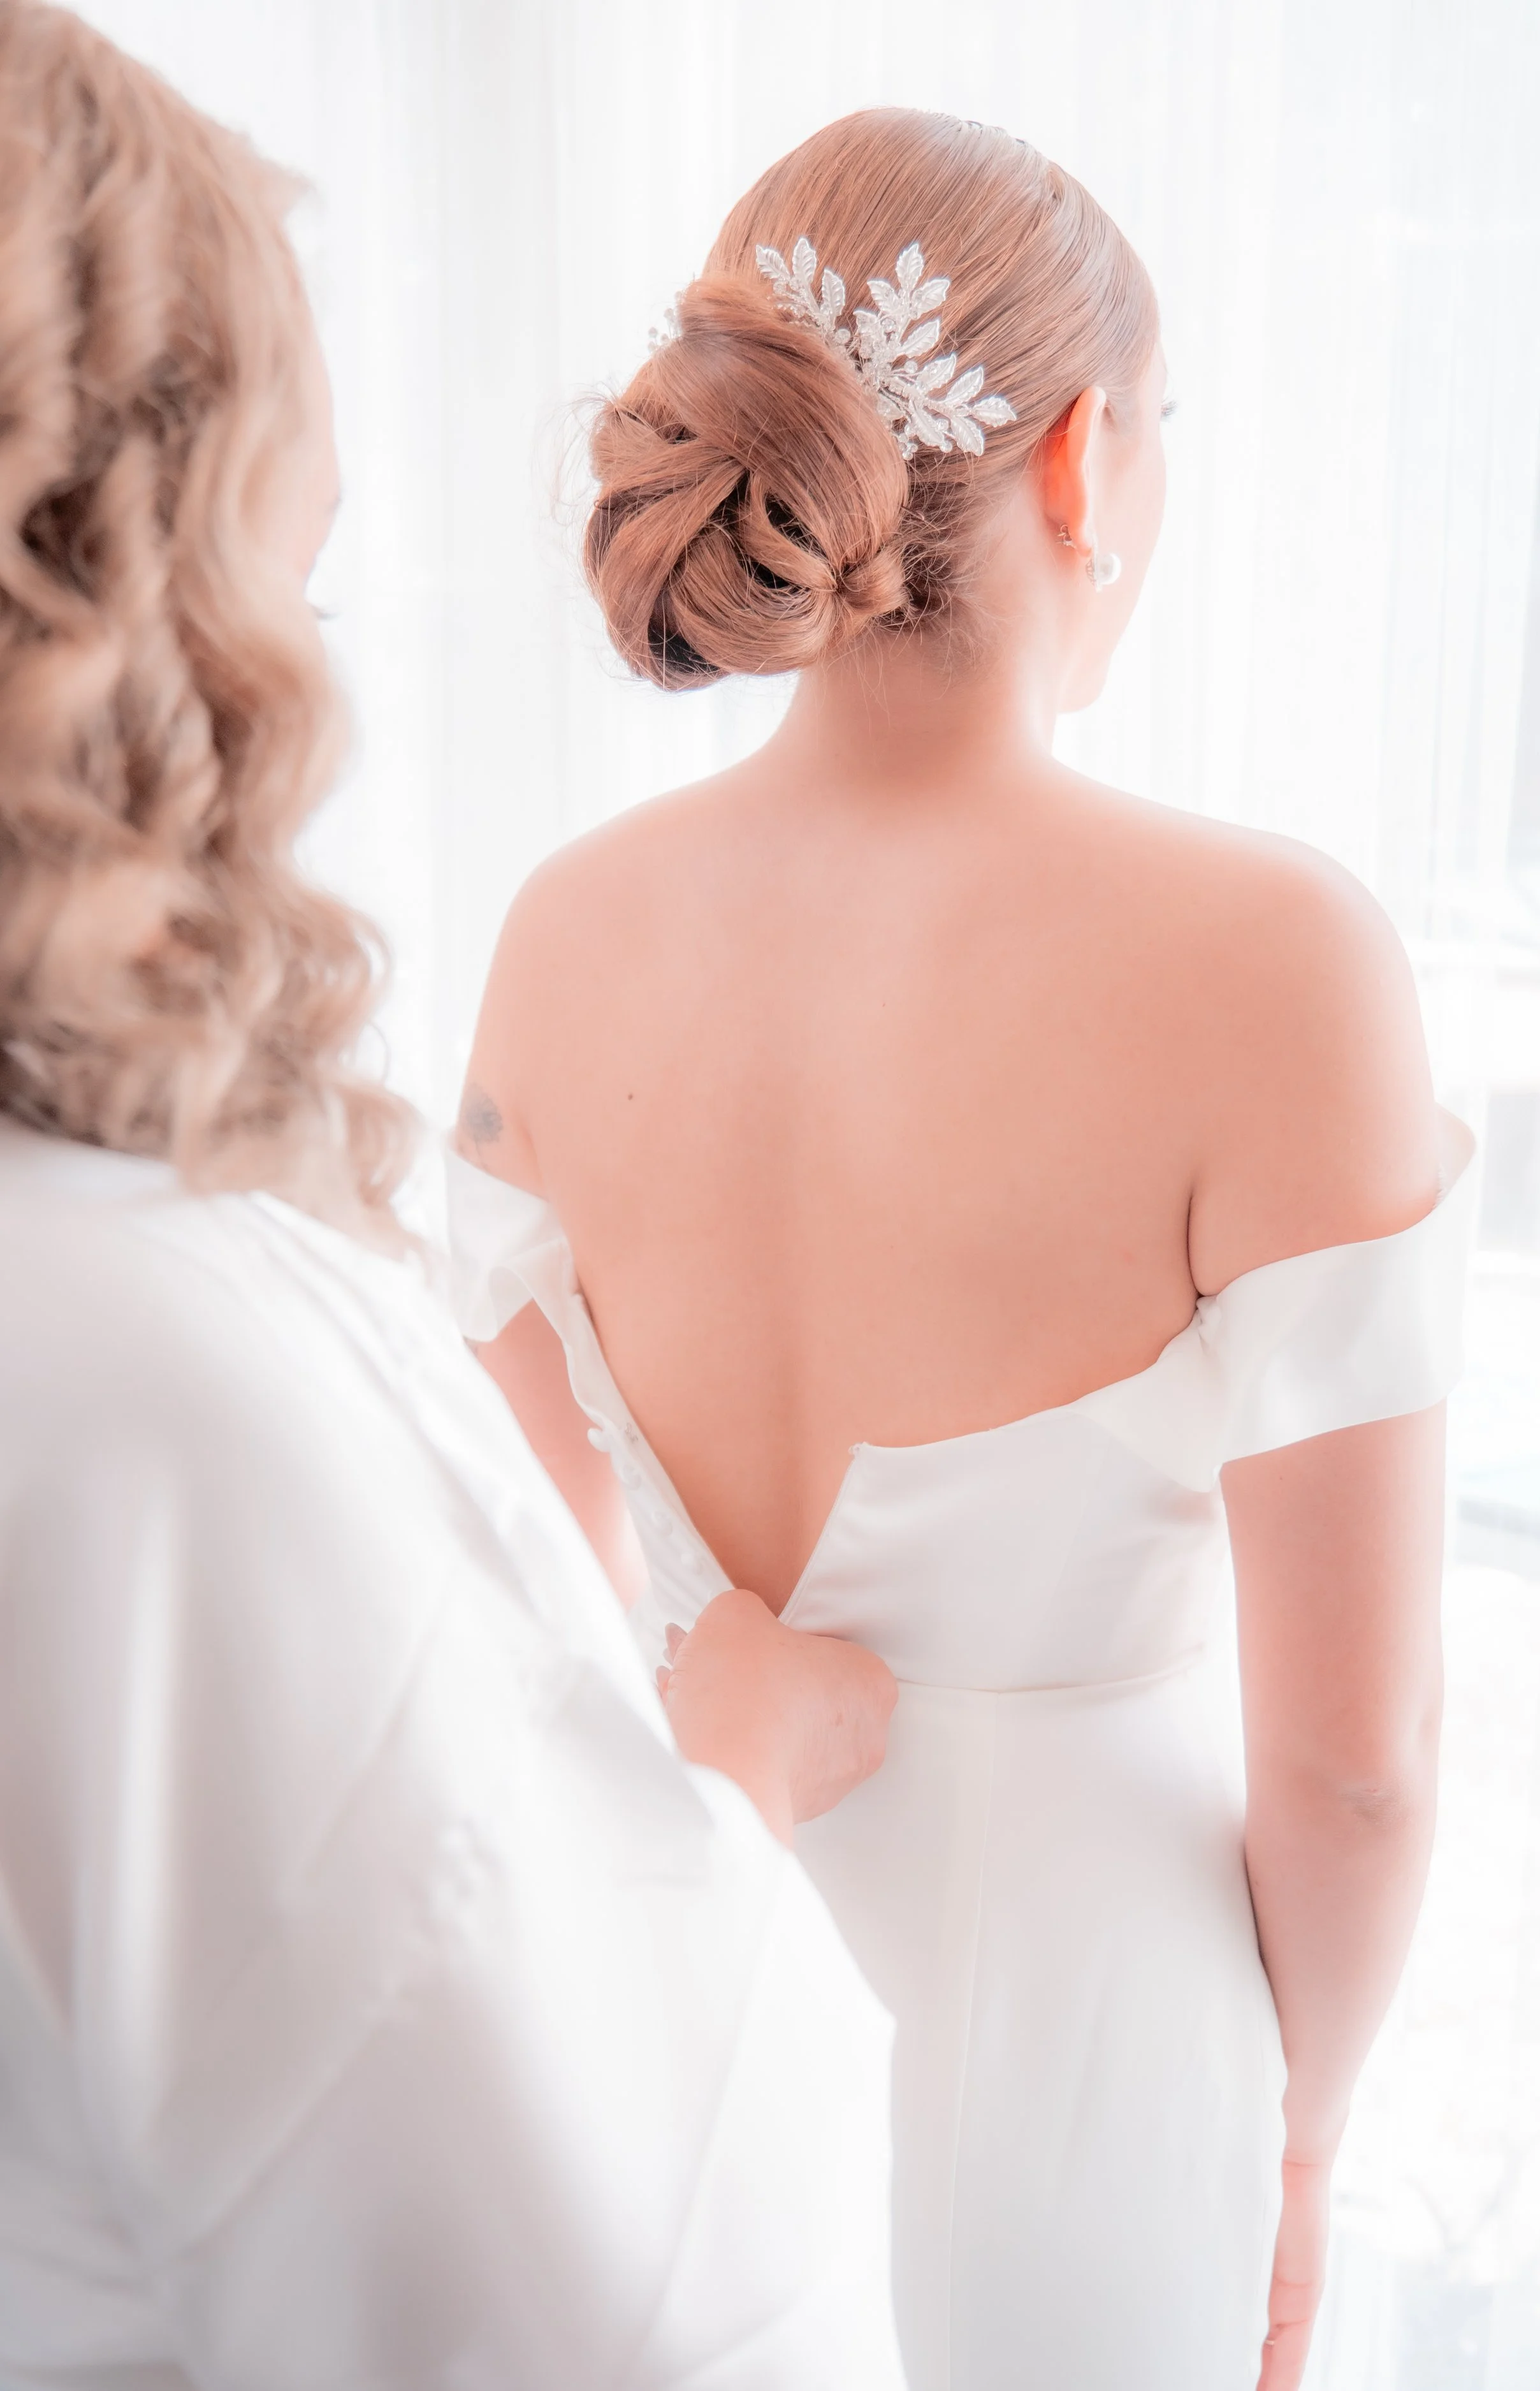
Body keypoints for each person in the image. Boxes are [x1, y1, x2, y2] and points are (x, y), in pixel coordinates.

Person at [454, 109, 1476, 2391]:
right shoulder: (1275, 961)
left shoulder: (560, 933)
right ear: (1087, 458)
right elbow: (1357, 1767)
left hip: (673, 2040)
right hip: (1091, 2060)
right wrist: (1304, 2138)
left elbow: (526, 1595)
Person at [0, 11, 907, 2387]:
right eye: (293, 566)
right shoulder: (153, 1384)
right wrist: (732, 1771)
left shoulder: (566, 936)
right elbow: (620, 2288)